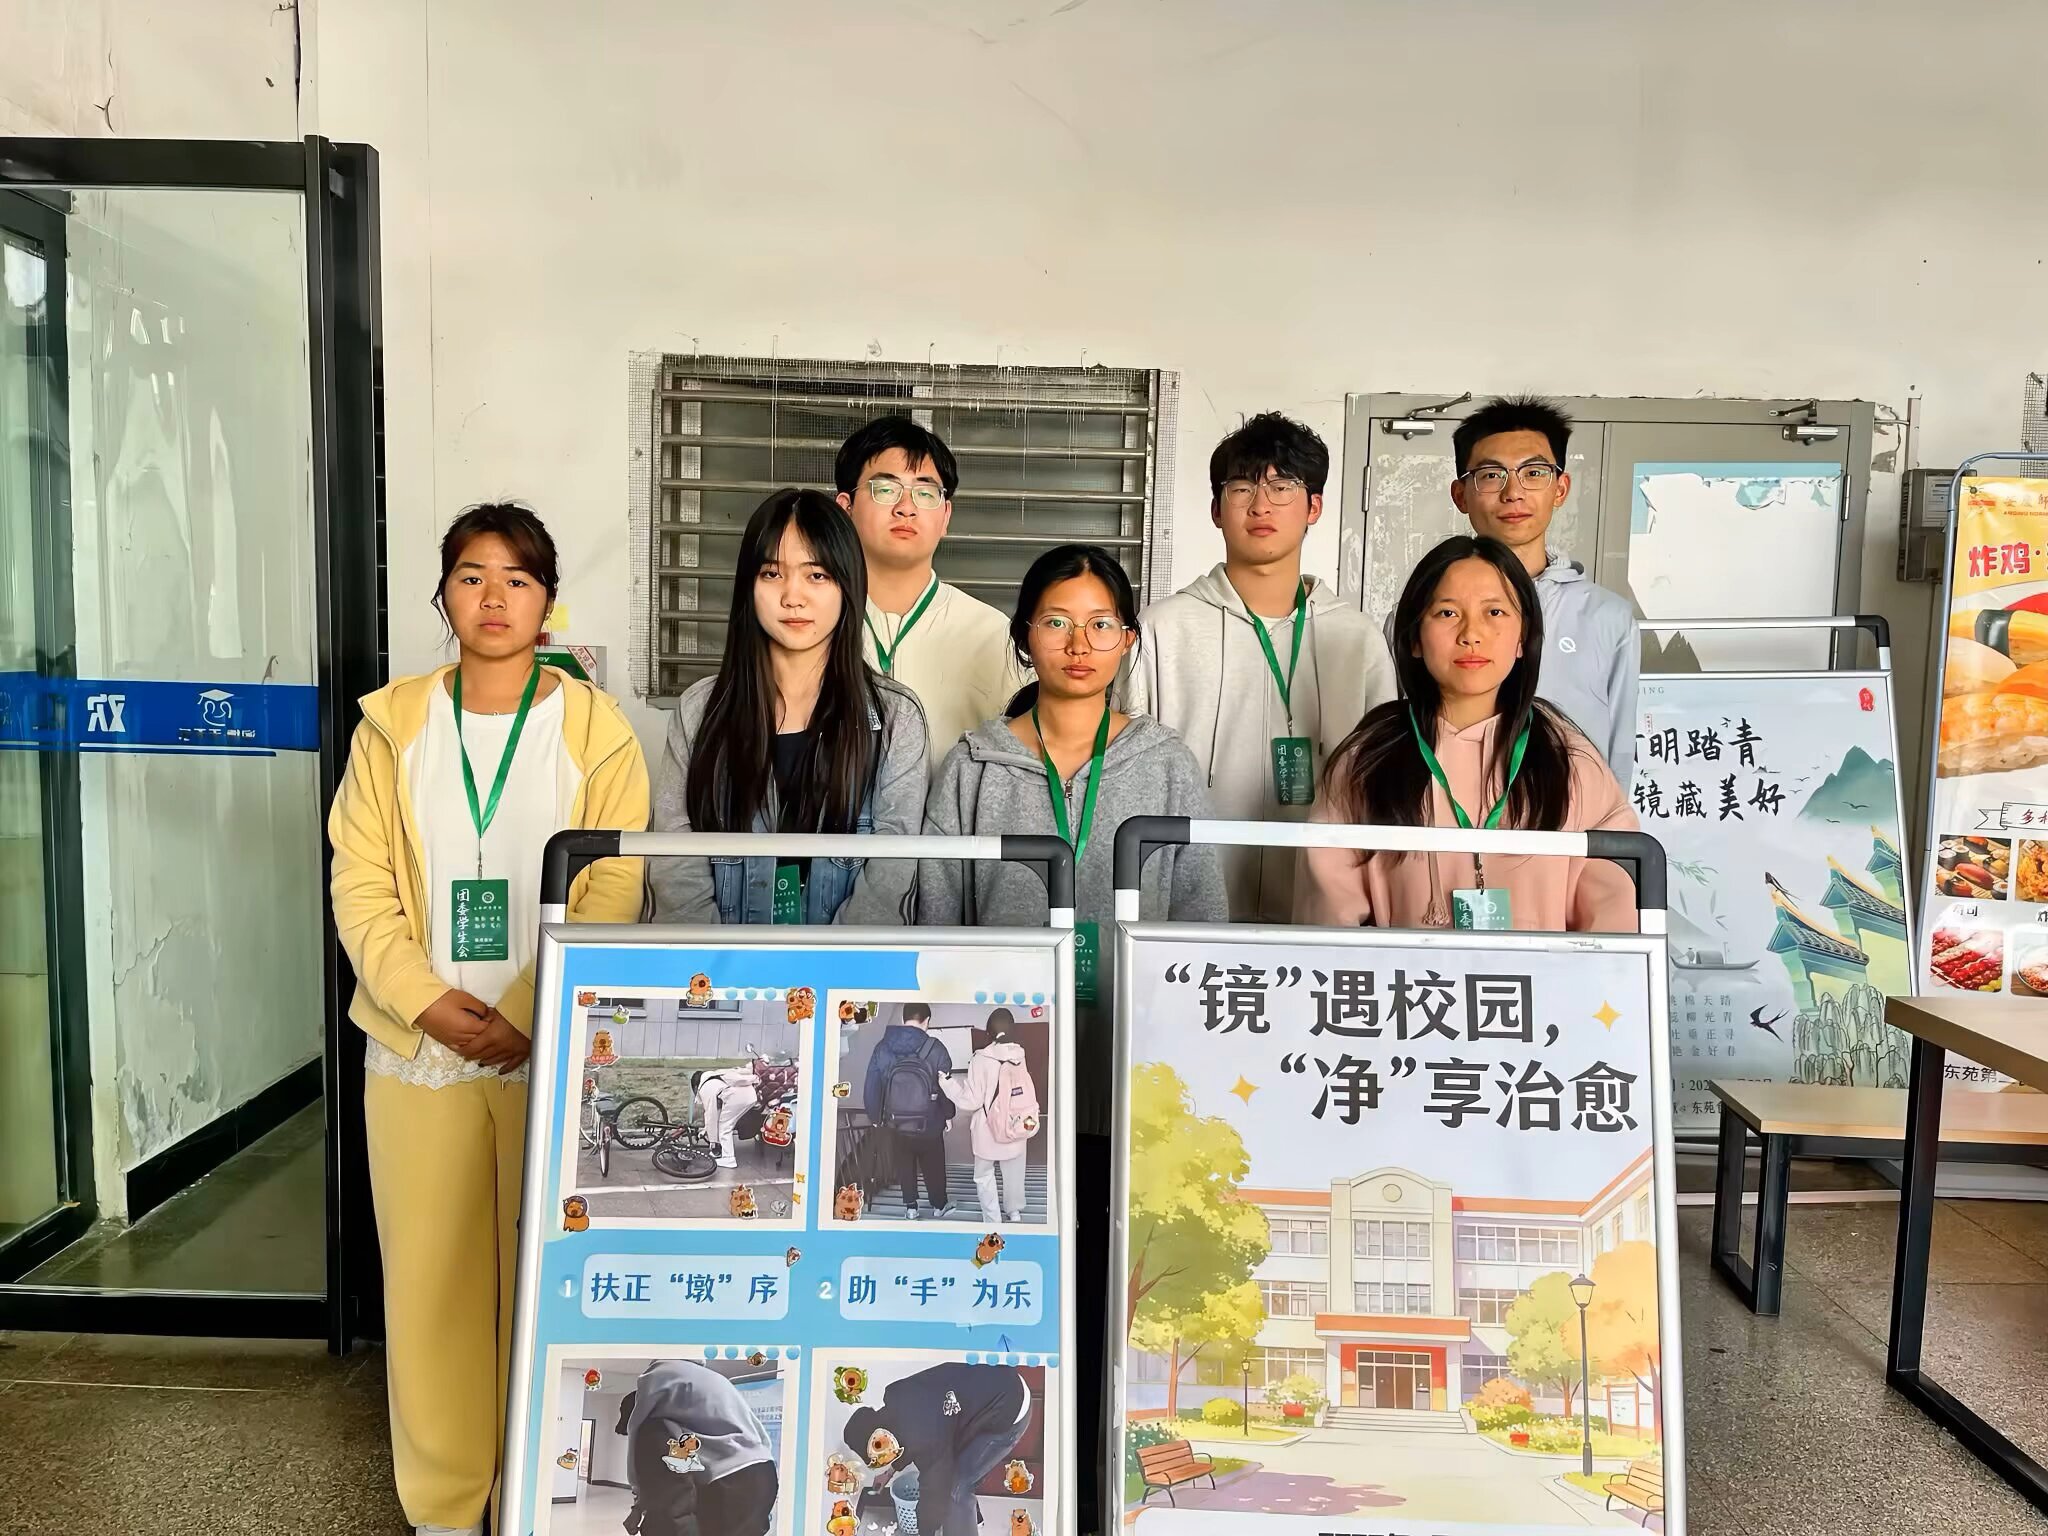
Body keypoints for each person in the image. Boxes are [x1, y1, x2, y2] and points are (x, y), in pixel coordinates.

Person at [328, 503, 648, 1536]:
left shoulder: (596, 729)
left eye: (517, 578)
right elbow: (360, 884)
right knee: (431, 1289)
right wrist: (426, 1000)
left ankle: (538, 1499)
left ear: (548, 601)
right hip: (416, 1051)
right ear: (443, 595)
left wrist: (525, 1014)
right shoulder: (393, 726)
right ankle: (444, 1507)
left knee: (545, 1282)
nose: (494, 597)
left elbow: (613, 884)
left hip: (546, 1050)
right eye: (471, 576)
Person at [920, 543, 1225, 1536]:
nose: (1079, 643)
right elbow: (939, 924)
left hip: (1125, 1083)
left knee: (1111, 1298)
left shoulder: (1165, 761)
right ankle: (1020, 1484)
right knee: (1010, 1281)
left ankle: (1103, 1499)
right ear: (1024, 636)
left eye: (1101, 624)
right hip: (1013, 1092)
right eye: (1056, 621)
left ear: (1129, 639)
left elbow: (1201, 917)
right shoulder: (974, 765)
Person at [1123, 412, 1396, 919]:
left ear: (1314, 507)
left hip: (1324, 913)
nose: (1261, 505)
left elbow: (1383, 785)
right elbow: (1133, 777)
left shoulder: (1357, 639)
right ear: (1216, 509)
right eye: (1242, 488)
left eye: (1282, 487)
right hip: (1190, 908)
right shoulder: (1163, 630)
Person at [1300, 534, 1639, 932]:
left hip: (1542, 974)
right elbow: (1327, 927)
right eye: (1447, 613)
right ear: (1414, 638)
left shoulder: (1569, 761)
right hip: (1407, 975)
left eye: (1495, 612)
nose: (1471, 634)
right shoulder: (1368, 760)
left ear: (1522, 638)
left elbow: (1614, 923)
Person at [650, 488, 926, 925]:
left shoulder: (895, 718)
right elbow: (675, 863)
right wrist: (719, 959)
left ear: (848, 585)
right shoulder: (700, 711)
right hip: (716, 962)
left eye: (816, 575)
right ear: (748, 585)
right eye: (772, 573)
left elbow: (891, 875)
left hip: (848, 965)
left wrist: (824, 963)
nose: (793, 596)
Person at [1446, 395, 1637, 785]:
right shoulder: (1424, 613)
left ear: (1561, 488)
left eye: (1534, 473)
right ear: (1461, 495)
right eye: (1491, 475)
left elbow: (1619, 754)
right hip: (1452, 816)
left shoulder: (1607, 617)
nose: (1513, 492)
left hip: (1570, 820)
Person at [836, 416, 1029, 760]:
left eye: (925, 493)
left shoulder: (990, 633)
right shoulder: (810, 622)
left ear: (946, 516)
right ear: (845, 509)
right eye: (886, 489)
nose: (906, 508)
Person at [842, 1363, 1033, 1536]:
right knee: (958, 1468)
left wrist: (925, 1531)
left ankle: (964, 1523)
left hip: (1010, 1406)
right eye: (878, 1460)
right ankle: (972, 1519)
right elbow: (903, 1441)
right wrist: (890, 1472)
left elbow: (934, 1491)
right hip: (996, 1383)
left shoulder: (924, 1436)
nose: (884, 1459)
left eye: (879, 1452)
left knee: (955, 1488)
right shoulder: (896, 1400)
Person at [621, 1361, 779, 1536]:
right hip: (764, 1472)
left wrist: (637, 1493)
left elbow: (638, 1428)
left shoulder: (656, 1375)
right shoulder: (716, 1380)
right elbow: (760, 1436)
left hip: (727, 1482)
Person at [939, 1006, 1036, 1226]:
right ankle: (1014, 1212)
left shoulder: (980, 1058)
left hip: (987, 1129)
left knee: (984, 1175)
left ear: (989, 1031)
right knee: (1014, 1172)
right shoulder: (1019, 1055)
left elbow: (971, 1101)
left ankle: (993, 1220)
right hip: (1016, 1125)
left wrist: (948, 1084)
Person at [862, 1001, 957, 1219]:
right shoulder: (936, 1048)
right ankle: (939, 1205)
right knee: (933, 1163)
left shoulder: (882, 1047)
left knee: (904, 1162)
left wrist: (875, 1116)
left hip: (896, 1121)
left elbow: (872, 1085)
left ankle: (911, 1208)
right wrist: (948, 1114)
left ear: (902, 1019)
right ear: (927, 1021)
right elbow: (945, 1088)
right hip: (930, 1121)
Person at [693, 1065, 759, 1170]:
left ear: (696, 1086)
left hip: (738, 1099)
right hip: (749, 1096)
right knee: (724, 1124)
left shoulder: (705, 1087)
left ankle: (729, 1159)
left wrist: (712, 1141)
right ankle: (724, 1153)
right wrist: (707, 1129)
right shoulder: (715, 1077)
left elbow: (710, 1114)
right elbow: (718, 1110)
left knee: (725, 1127)